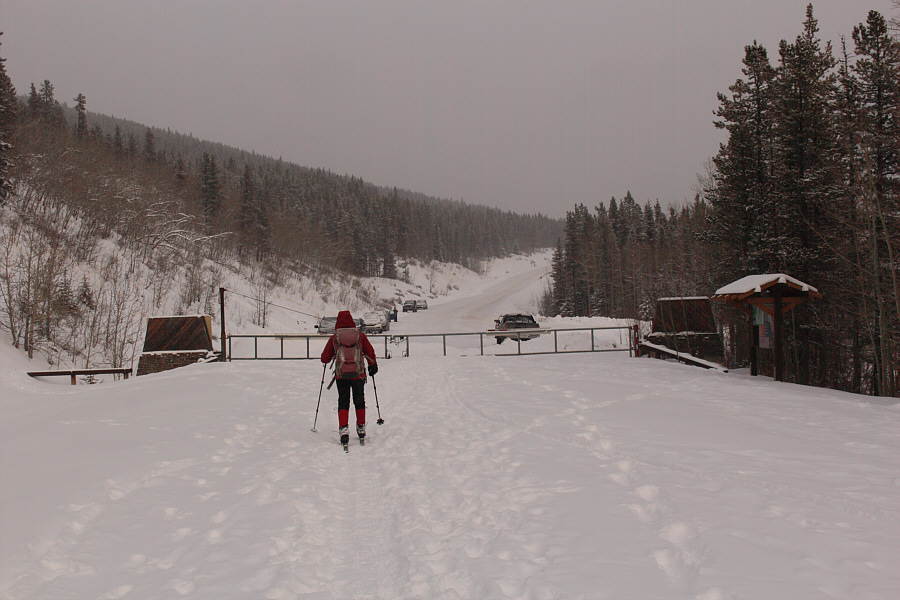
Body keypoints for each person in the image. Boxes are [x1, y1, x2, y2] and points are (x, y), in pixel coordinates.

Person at [320, 310, 378, 445]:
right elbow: (370, 352)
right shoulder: (360, 336)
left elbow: (325, 358)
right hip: (358, 374)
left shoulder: (335, 338)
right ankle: (361, 426)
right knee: (359, 400)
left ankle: (344, 428)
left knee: (343, 401)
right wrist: (372, 365)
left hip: (341, 376)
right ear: (352, 321)